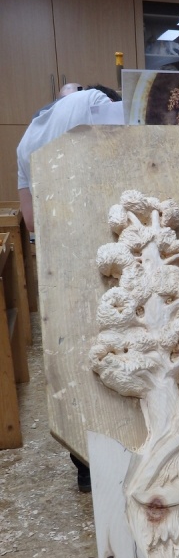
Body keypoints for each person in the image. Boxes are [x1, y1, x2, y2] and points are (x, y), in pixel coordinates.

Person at [16, 84, 120, 493]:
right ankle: (123, 453)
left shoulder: (27, 139)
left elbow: (30, 222)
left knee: (77, 354)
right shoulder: (92, 102)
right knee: (116, 344)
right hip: (104, 247)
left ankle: (86, 466)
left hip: (59, 258)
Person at [17, 86, 120, 233]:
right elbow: (126, 147)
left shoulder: (24, 143)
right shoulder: (93, 98)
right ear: (112, 101)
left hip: (56, 238)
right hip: (102, 232)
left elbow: (31, 222)